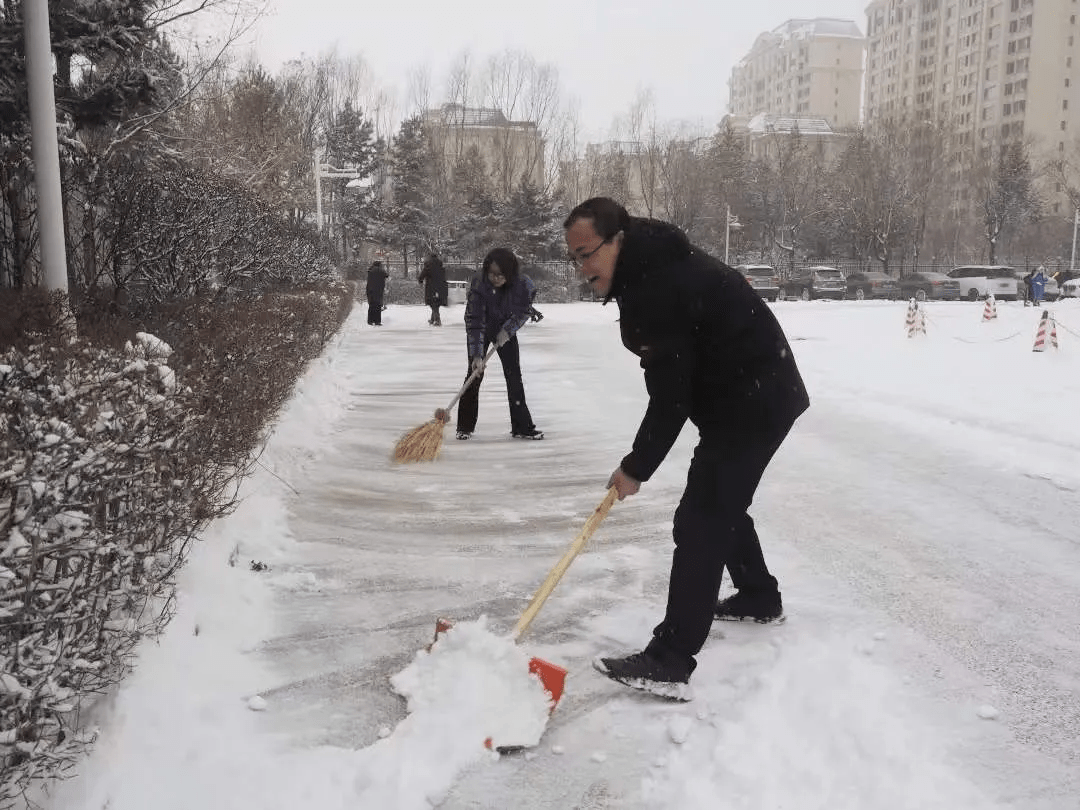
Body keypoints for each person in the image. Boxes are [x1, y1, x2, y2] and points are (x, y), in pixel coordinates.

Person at [564, 197, 809, 696]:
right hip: (740, 397)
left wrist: (636, 467)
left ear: (618, 240)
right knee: (722, 501)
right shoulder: (646, 272)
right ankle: (759, 596)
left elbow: (670, 397)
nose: (581, 267)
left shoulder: (659, 286)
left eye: (586, 253)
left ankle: (672, 657)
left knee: (701, 518)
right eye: (574, 257)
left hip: (755, 402)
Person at [457, 247, 544, 441]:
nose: (495, 279)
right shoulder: (479, 283)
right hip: (482, 328)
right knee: (474, 374)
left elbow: (524, 311)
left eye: (500, 275)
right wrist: (477, 355)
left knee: (514, 376)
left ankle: (522, 427)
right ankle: (464, 426)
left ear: (510, 273)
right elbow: (474, 319)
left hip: (505, 329)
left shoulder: (523, 285)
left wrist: (508, 330)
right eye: (492, 274)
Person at [418, 253, 449, 326]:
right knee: (436, 302)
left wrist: (420, 280)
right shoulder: (440, 264)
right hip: (441, 286)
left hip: (432, 287)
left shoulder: (428, 264)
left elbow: (423, 274)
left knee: (433, 303)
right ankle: (433, 319)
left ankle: (437, 320)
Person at [365, 260, 388, 326]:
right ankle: (377, 321)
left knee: (371, 306)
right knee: (378, 306)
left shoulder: (370, 270)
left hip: (370, 290)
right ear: (379, 265)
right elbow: (386, 275)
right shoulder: (381, 270)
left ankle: (370, 321)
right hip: (378, 290)